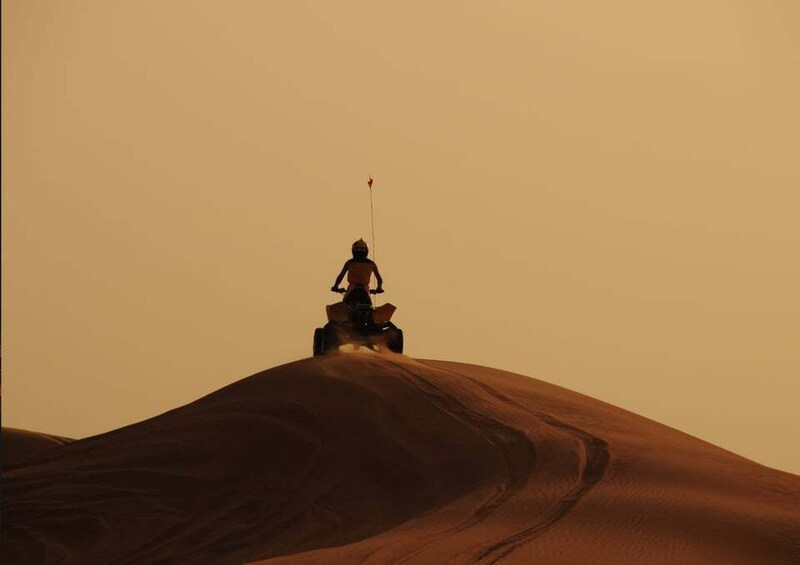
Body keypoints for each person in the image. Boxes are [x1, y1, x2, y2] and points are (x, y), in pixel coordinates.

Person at [331, 239, 384, 306]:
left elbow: (340, 277)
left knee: (345, 305)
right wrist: (379, 288)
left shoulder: (350, 262)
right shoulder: (371, 264)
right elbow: (379, 280)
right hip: (365, 290)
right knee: (369, 307)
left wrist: (335, 286)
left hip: (351, 290)